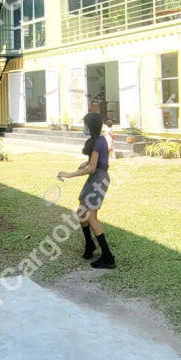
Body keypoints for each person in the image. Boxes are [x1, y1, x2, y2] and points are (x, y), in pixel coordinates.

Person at [56, 112, 116, 269]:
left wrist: (69, 174)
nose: (84, 128)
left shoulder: (98, 142)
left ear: (91, 126)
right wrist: (86, 162)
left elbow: (92, 168)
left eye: (85, 125)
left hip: (98, 180)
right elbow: (94, 162)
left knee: (91, 217)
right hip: (95, 178)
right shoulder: (98, 140)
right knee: (81, 212)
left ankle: (108, 257)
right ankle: (90, 245)